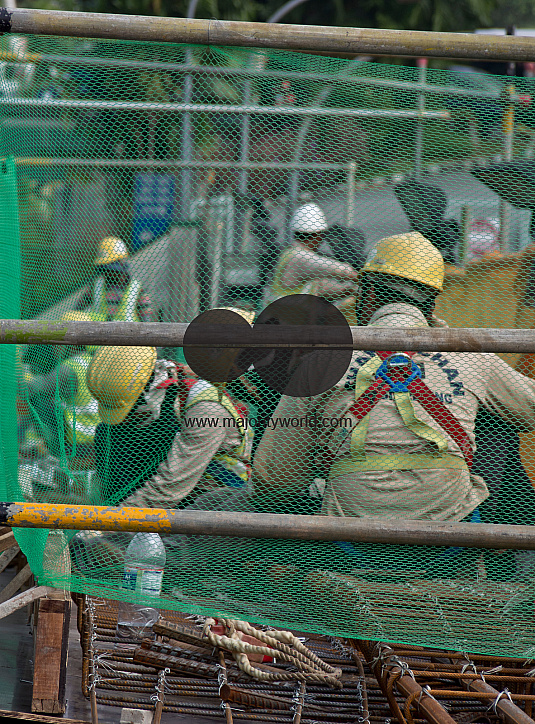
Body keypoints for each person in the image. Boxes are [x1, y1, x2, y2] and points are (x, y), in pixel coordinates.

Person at [253, 231, 535, 576]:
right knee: (496, 419)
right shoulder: (472, 357)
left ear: (369, 292)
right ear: (433, 303)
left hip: (348, 543)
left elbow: (275, 481)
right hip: (449, 543)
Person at [87, 344, 254, 509]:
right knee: (108, 433)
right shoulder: (164, 388)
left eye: (131, 408)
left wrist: (108, 527)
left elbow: (168, 488)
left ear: (148, 388)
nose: (126, 419)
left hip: (212, 498)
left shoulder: (206, 410)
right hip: (167, 488)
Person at [22, 311, 100, 467]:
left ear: (70, 342)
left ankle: (40, 451)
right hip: (99, 441)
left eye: (58, 340)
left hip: (79, 446)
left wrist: (18, 371)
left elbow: (31, 388)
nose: (54, 346)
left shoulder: (70, 368)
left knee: (39, 400)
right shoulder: (94, 362)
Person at [265, 203, 359, 306]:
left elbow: (320, 288)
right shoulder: (300, 257)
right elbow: (333, 268)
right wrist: (358, 276)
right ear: (318, 235)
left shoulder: (291, 253)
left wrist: (348, 290)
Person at [76, 236, 152, 322]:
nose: (106, 272)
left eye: (110, 268)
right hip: (99, 333)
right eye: (104, 269)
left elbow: (146, 323)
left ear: (121, 264)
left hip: (127, 334)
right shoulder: (96, 286)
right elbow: (77, 311)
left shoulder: (138, 290)